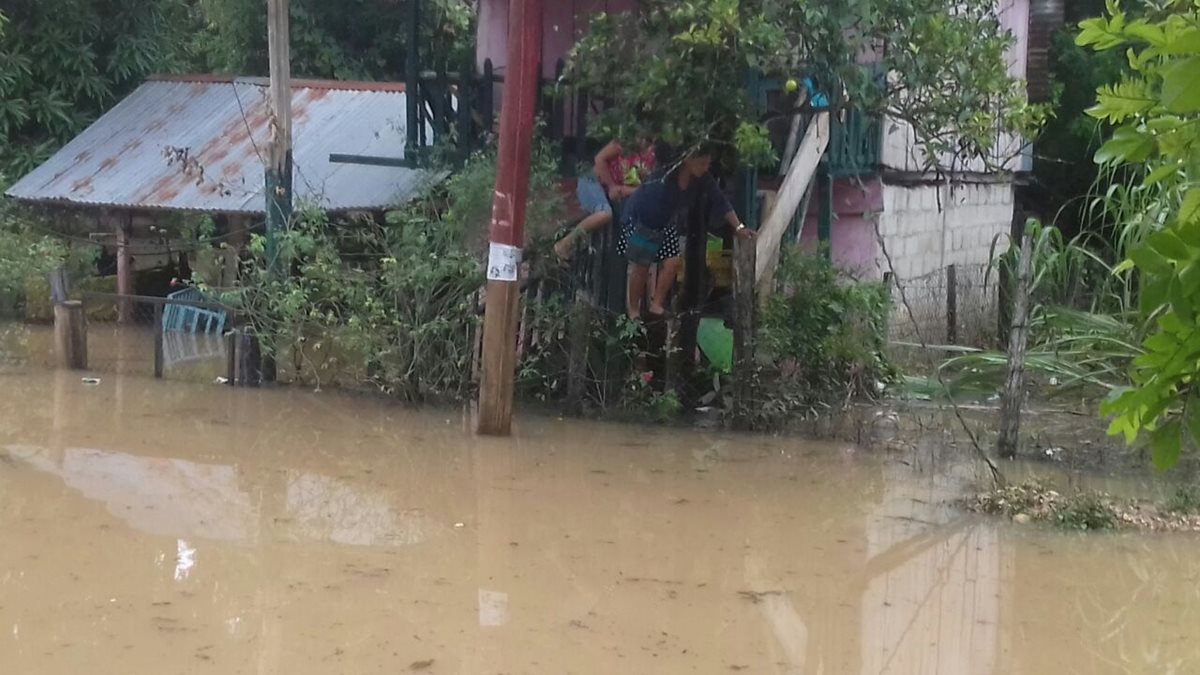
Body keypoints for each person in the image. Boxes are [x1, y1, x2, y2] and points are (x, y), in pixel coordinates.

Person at [619, 146, 754, 320]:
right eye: (702, 163)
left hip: (665, 221)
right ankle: (633, 310)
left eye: (708, 164)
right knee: (642, 265)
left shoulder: (703, 178)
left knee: (673, 262)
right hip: (644, 218)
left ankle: (656, 304)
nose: (706, 167)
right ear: (688, 160)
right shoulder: (665, 177)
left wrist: (739, 227)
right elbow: (648, 203)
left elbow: (720, 200)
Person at [554, 139, 656, 262]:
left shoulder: (652, 158)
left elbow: (648, 188)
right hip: (592, 181)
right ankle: (565, 244)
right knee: (605, 214)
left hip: (613, 191)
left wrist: (623, 190)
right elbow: (599, 159)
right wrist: (612, 186)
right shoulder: (624, 142)